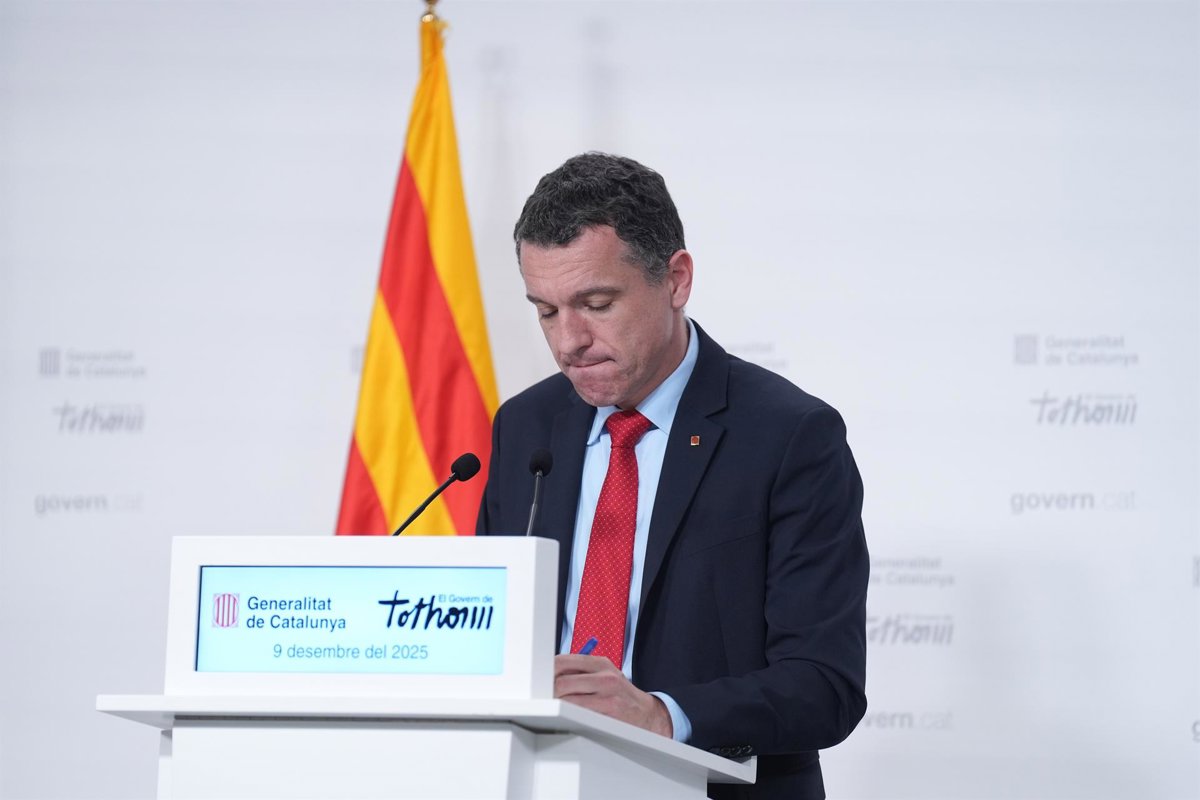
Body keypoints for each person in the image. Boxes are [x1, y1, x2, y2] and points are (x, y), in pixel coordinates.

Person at [476, 153, 868, 800]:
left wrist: (660, 716)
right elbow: (489, 639)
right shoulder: (525, 427)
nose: (569, 341)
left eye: (596, 303)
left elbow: (824, 684)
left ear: (676, 280)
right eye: (545, 311)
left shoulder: (789, 437)